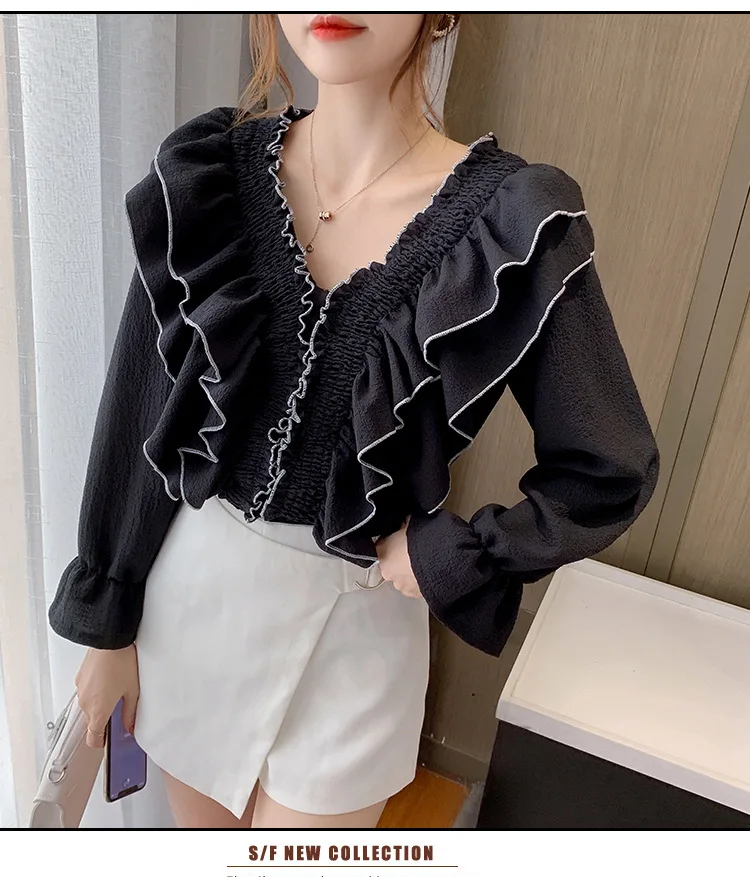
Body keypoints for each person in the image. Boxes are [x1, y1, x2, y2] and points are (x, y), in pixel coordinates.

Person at [48, 13, 660, 829]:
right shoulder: (208, 176)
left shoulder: (516, 224)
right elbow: (141, 407)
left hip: (358, 621)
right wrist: (108, 622)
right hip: (194, 603)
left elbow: (609, 464)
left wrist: (456, 554)